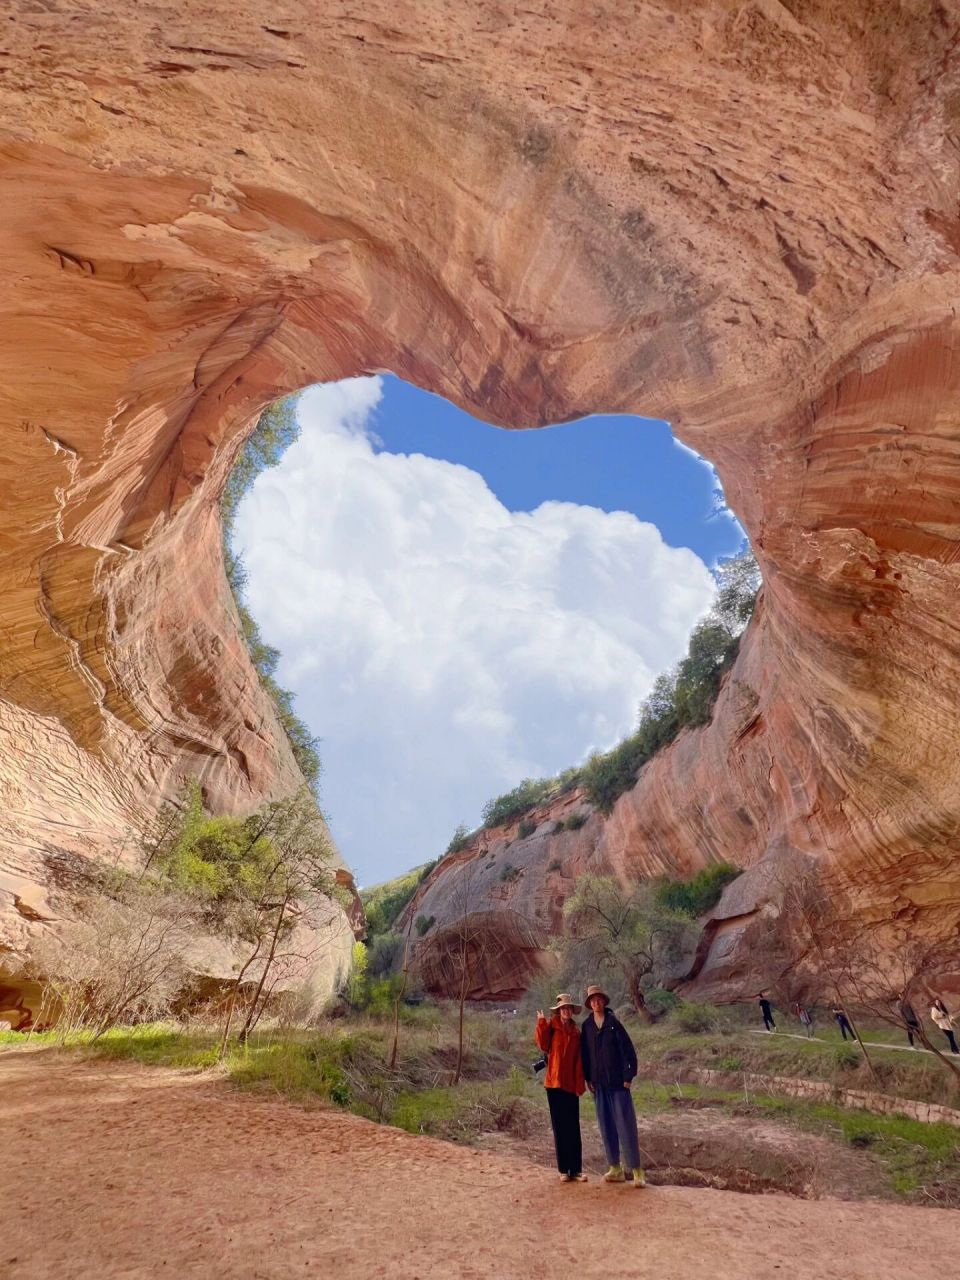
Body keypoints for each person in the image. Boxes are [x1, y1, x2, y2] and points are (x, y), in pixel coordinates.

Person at [579, 985, 645, 1188]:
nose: (595, 1002)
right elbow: (586, 1055)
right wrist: (588, 1078)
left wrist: (628, 1075)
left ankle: (636, 1171)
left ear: (603, 1002)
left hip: (618, 1084)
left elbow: (628, 1051)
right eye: (592, 1000)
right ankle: (615, 1168)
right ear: (589, 1004)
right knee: (606, 1126)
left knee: (626, 1125)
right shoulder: (587, 1026)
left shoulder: (614, 1023)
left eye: (598, 999)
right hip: (599, 1085)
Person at [535, 994, 588, 1183]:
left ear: (572, 1011)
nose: (566, 1011)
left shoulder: (576, 1032)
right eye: (563, 1008)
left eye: (568, 1008)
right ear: (559, 1011)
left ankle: (576, 1170)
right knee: (560, 1128)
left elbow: (578, 1061)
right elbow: (542, 1045)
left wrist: (579, 1084)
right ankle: (564, 1170)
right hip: (554, 1084)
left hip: (570, 1085)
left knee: (573, 1127)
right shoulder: (552, 1027)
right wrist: (541, 1022)